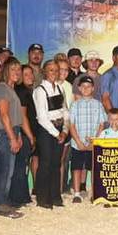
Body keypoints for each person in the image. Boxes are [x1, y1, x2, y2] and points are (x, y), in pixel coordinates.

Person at [0, 58, 25, 218]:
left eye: (18, 70)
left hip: (11, 131)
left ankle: (0, 201)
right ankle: (1, 205)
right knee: (5, 170)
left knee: (3, 169)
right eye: (13, 69)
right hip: (4, 133)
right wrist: (12, 138)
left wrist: (19, 134)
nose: (16, 72)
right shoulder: (2, 88)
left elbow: (14, 115)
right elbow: (3, 115)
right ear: (6, 71)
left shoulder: (11, 89)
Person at [32, 60, 69, 209]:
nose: (54, 73)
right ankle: (43, 198)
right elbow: (42, 117)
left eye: (56, 70)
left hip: (60, 129)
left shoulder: (60, 88)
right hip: (46, 131)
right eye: (51, 70)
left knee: (56, 163)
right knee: (45, 163)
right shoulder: (40, 91)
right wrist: (56, 133)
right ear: (44, 72)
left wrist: (65, 130)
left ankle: (55, 196)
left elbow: (65, 110)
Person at [67, 75, 107, 203]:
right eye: (83, 86)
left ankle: (95, 192)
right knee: (77, 168)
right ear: (79, 88)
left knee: (94, 168)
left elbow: (102, 124)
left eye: (88, 86)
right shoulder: (74, 105)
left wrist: (95, 140)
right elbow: (71, 125)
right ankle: (77, 193)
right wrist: (78, 141)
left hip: (93, 143)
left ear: (93, 88)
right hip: (76, 143)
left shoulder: (98, 104)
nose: (85, 88)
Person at [11, 64, 36, 208]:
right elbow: (22, 116)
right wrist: (30, 135)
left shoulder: (26, 91)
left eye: (31, 74)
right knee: (21, 166)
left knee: (22, 165)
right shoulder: (22, 91)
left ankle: (22, 196)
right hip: (24, 133)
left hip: (25, 132)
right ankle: (19, 198)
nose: (30, 77)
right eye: (26, 74)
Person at [57, 58, 75, 193]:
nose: (63, 72)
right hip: (54, 126)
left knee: (62, 160)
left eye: (65, 70)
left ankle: (60, 190)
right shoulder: (50, 85)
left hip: (66, 125)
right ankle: (51, 189)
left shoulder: (69, 86)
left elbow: (71, 107)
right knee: (53, 160)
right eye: (60, 69)